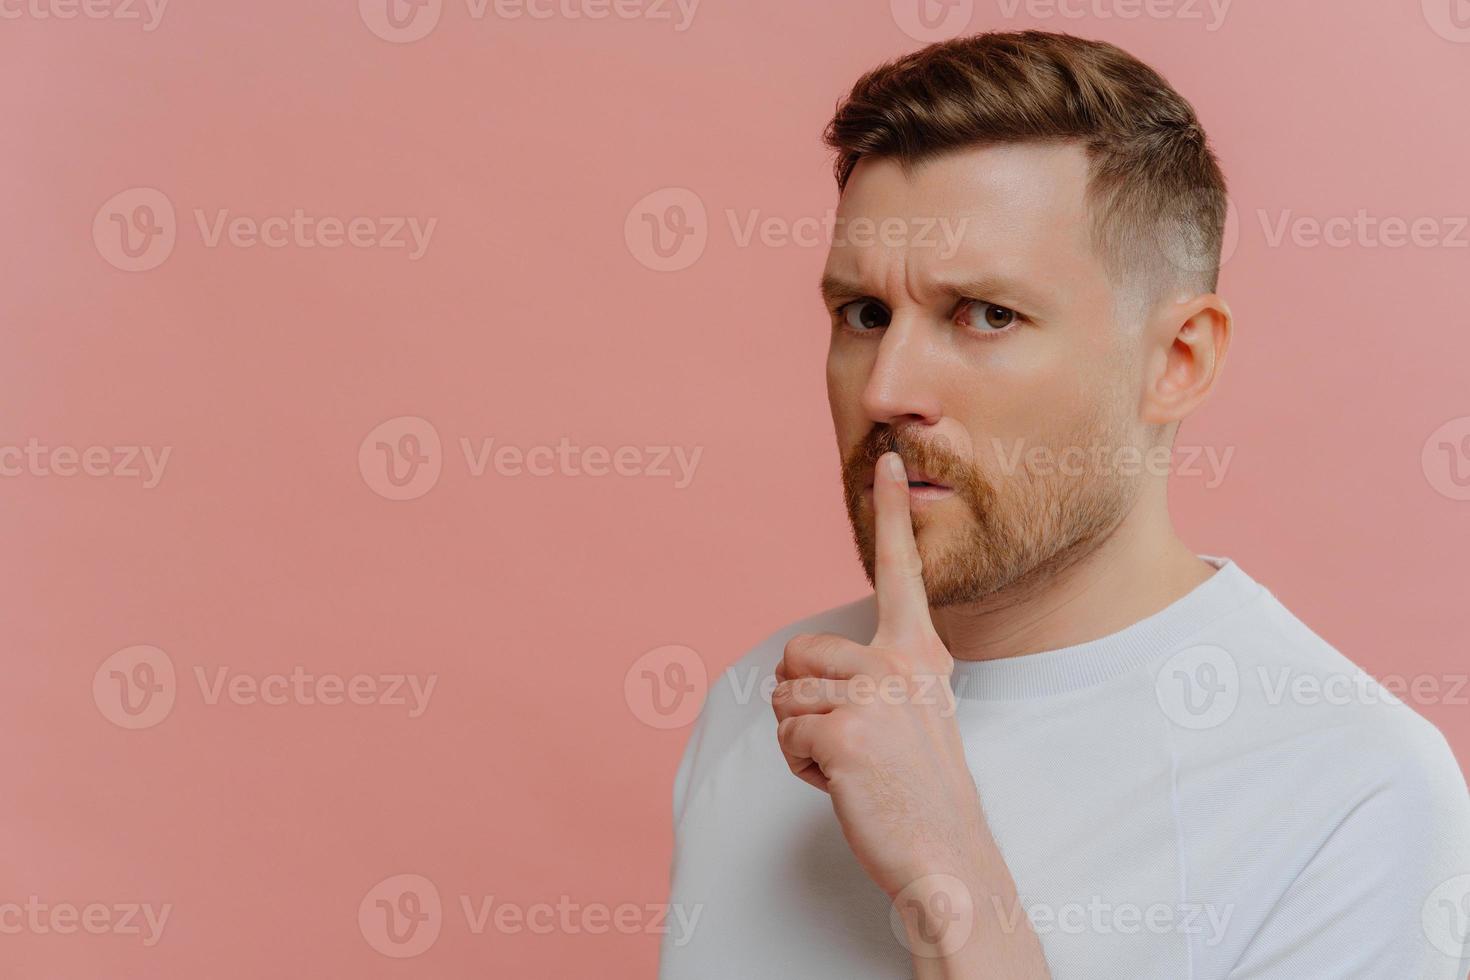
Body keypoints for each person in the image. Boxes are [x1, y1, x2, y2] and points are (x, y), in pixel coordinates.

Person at [659, 30, 1470, 979]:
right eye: (864, 315)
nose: (886, 390)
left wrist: (948, 870)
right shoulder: (760, 702)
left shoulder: (1351, 793)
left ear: (1179, 361)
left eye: (987, 314)